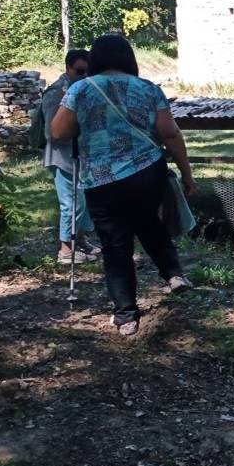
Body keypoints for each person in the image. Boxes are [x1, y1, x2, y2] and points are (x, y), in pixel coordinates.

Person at [50, 35, 195, 337]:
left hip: (102, 179)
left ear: (95, 59)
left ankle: (126, 315)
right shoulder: (149, 89)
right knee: (150, 224)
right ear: (130, 58)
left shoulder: (80, 90)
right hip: (147, 172)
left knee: (116, 246)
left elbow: (59, 131)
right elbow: (169, 133)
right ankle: (174, 275)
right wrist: (187, 173)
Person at [42, 49, 99, 265]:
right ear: (68, 68)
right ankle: (66, 249)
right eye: (80, 71)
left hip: (81, 155)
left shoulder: (84, 90)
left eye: (88, 72)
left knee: (82, 201)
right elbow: (52, 132)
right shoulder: (56, 93)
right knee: (71, 203)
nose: (84, 76)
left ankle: (80, 241)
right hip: (62, 156)